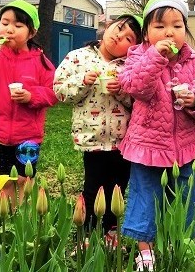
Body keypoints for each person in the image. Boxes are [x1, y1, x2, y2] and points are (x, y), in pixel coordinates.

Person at [117, 0, 195, 271]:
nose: (169, 32)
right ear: (147, 33)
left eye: (176, 25)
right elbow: (136, 87)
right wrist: (155, 57)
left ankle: (178, 242)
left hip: (185, 146)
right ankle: (145, 251)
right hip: (147, 145)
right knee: (145, 196)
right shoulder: (138, 56)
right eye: (160, 26)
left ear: (186, 30)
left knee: (185, 196)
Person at [54, 14, 143, 240]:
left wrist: (121, 90)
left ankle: (111, 233)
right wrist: (82, 82)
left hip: (123, 140)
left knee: (118, 189)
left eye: (129, 38)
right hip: (91, 138)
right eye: (119, 28)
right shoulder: (78, 58)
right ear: (107, 26)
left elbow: (139, 102)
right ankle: (88, 234)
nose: (119, 36)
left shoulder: (131, 67)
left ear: (133, 48)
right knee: (94, 188)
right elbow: (60, 92)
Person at [0, 0, 57, 190]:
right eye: (5, 23)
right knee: (4, 180)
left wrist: (31, 96)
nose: (9, 29)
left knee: (25, 179)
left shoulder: (40, 61)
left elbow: (53, 92)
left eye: (18, 25)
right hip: (0, 133)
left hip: (29, 136)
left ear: (31, 33)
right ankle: (6, 215)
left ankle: (24, 217)